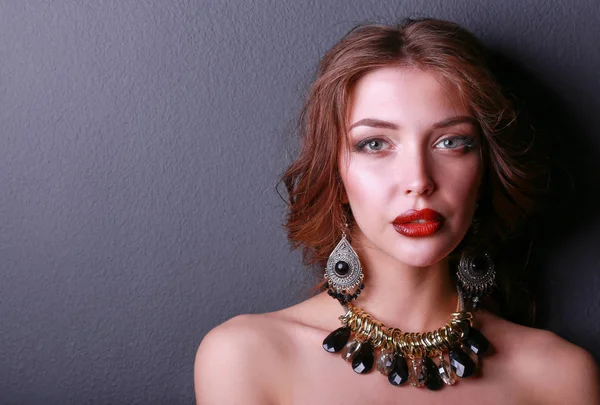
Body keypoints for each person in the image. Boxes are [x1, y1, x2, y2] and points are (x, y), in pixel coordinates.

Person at [194, 18, 599, 404]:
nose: (418, 180)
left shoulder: (559, 375)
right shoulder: (247, 358)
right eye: (375, 144)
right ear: (334, 173)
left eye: (451, 142)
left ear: (486, 169)